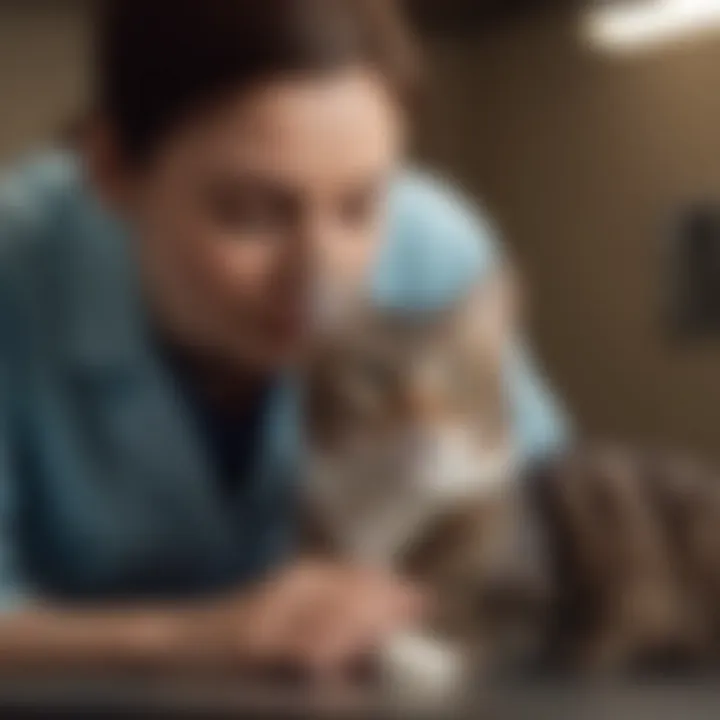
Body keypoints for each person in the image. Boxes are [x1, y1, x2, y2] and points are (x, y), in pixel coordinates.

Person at [0, 0, 568, 678]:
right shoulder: (17, 268)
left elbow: (547, 521)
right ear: (112, 167)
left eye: (360, 206)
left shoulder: (433, 254)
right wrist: (193, 637)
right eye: (249, 213)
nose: (319, 280)